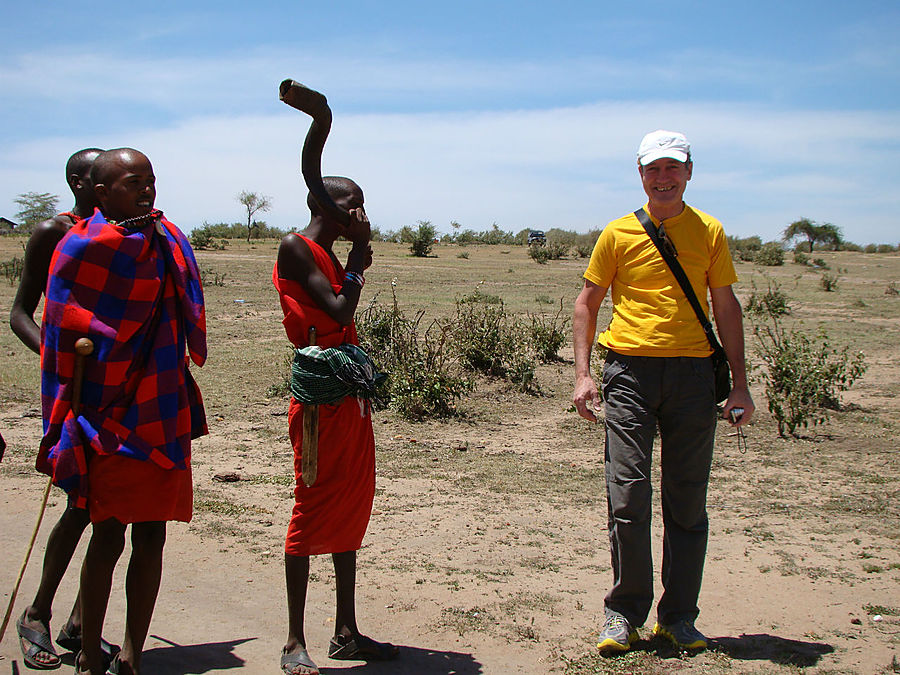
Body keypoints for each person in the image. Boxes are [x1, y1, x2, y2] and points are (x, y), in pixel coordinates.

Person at [572, 130, 754, 654]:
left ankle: (678, 617)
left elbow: (725, 307)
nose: (664, 177)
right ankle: (622, 616)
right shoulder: (617, 233)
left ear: (690, 172)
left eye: (673, 167)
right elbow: (587, 303)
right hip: (628, 372)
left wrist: (740, 384)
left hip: (695, 378)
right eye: (654, 169)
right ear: (641, 174)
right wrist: (583, 375)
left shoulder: (710, 231)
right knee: (627, 495)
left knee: (687, 500)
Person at [39, 148, 207, 675]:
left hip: (159, 404)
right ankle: (89, 652)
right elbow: (59, 330)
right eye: (134, 183)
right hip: (103, 412)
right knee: (107, 533)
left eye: (151, 181)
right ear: (101, 191)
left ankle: (132, 653)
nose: (147, 191)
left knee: (152, 533)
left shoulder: (166, 240)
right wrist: (72, 391)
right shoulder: (79, 248)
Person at [273, 176, 397, 675]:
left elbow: (344, 305)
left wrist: (354, 264)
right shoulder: (295, 247)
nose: (362, 216)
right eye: (355, 206)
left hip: (347, 396)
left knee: (350, 499)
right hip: (319, 403)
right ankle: (293, 640)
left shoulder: (327, 253)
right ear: (326, 206)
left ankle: (346, 630)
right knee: (314, 502)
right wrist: (357, 260)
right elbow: (340, 308)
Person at [9, 148, 121, 671]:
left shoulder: (127, 236)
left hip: (119, 389)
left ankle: (83, 623)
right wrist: (59, 360)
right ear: (84, 183)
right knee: (81, 504)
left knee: (115, 511)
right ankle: (37, 613)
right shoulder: (53, 233)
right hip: (73, 386)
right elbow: (19, 314)